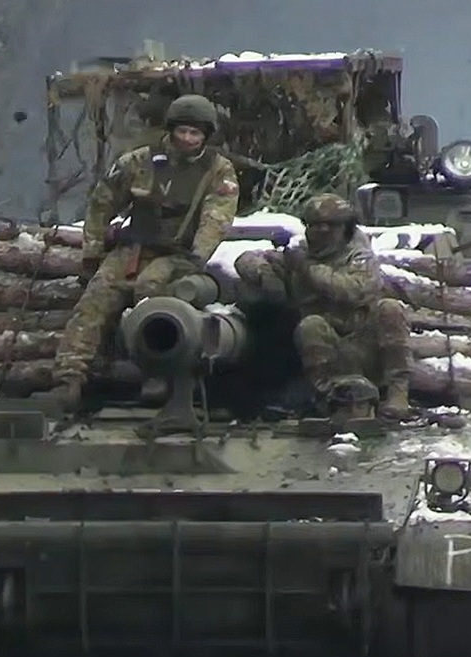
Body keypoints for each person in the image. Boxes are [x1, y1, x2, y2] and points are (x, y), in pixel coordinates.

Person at [50, 94, 241, 410]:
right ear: (171, 129)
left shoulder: (218, 171)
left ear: (206, 135)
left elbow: (217, 218)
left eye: (195, 133)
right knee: (95, 300)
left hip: (177, 254)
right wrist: (93, 250)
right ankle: (69, 377)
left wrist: (197, 256)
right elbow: (102, 202)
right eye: (182, 131)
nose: (187, 139)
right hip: (134, 248)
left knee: (150, 291)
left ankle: (157, 373)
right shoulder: (140, 162)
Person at [269, 192, 413, 420]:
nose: (323, 231)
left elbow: (352, 290)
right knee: (310, 325)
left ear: (345, 228)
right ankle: (332, 398)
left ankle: (398, 394)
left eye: (331, 225)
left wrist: (308, 269)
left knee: (390, 309)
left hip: (366, 344)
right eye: (315, 225)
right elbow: (245, 263)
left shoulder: (359, 256)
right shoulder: (301, 254)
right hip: (329, 346)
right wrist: (267, 267)